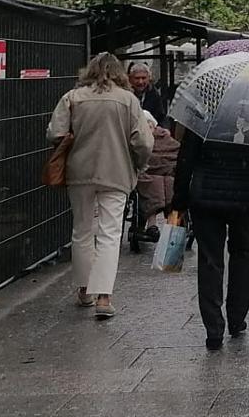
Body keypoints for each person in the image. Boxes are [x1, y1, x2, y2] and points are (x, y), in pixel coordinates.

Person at [47, 52, 153, 320]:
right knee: (109, 233)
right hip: (116, 172)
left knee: (82, 230)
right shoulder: (128, 100)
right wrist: (137, 164)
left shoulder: (73, 97)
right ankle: (104, 297)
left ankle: (84, 290)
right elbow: (143, 142)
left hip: (79, 171)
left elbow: (55, 133)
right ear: (119, 72)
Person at [171, 120, 249, 351]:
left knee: (210, 260)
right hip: (242, 198)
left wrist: (179, 200)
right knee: (242, 254)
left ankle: (214, 330)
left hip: (205, 198)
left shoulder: (203, 118)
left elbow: (186, 159)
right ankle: (237, 319)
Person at [134, 109, 180, 242]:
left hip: (167, 173)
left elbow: (174, 151)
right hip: (149, 174)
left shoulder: (165, 137)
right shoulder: (140, 140)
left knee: (170, 185)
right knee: (153, 185)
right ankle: (152, 225)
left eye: (149, 124)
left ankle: (173, 224)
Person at [128, 62, 167, 127]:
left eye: (143, 78)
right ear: (130, 79)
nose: (140, 82)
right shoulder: (126, 95)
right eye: (137, 78)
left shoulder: (154, 94)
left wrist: (165, 129)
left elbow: (161, 117)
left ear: (149, 78)